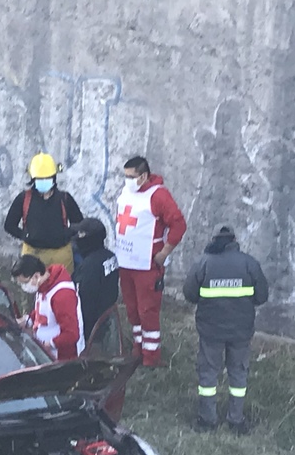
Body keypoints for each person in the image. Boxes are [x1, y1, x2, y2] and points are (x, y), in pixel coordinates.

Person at [181, 225, 270, 434]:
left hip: (211, 330)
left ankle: (207, 420)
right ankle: (236, 420)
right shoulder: (249, 263)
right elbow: (262, 296)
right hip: (240, 331)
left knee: (208, 374)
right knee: (238, 374)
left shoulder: (204, 262)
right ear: (234, 242)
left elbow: (189, 293)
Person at [114, 155, 187, 367]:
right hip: (126, 262)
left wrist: (164, 252)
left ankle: (151, 356)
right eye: (125, 176)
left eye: (131, 176)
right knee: (132, 308)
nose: (127, 180)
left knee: (147, 310)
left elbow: (178, 224)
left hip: (147, 265)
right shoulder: (128, 191)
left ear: (144, 176)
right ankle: (138, 347)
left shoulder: (159, 196)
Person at [4, 152, 83, 275]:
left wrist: (66, 234)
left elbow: (79, 224)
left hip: (60, 257)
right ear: (33, 179)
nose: (44, 181)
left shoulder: (65, 199)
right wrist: (26, 236)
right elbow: (9, 225)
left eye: (47, 178)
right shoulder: (24, 199)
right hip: (32, 256)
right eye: (40, 179)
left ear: (54, 178)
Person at [11, 254, 84, 362]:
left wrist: (48, 344)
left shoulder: (62, 296)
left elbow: (72, 334)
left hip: (61, 358)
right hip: (46, 352)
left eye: (25, 283)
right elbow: (43, 312)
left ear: (36, 276)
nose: (24, 287)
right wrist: (28, 320)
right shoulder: (43, 286)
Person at [71, 217, 119, 340]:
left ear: (89, 239)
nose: (77, 237)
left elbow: (85, 300)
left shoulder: (89, 266)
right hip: (107, 318)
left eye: (81, 234)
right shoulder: (110, 256)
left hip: (91, 328)